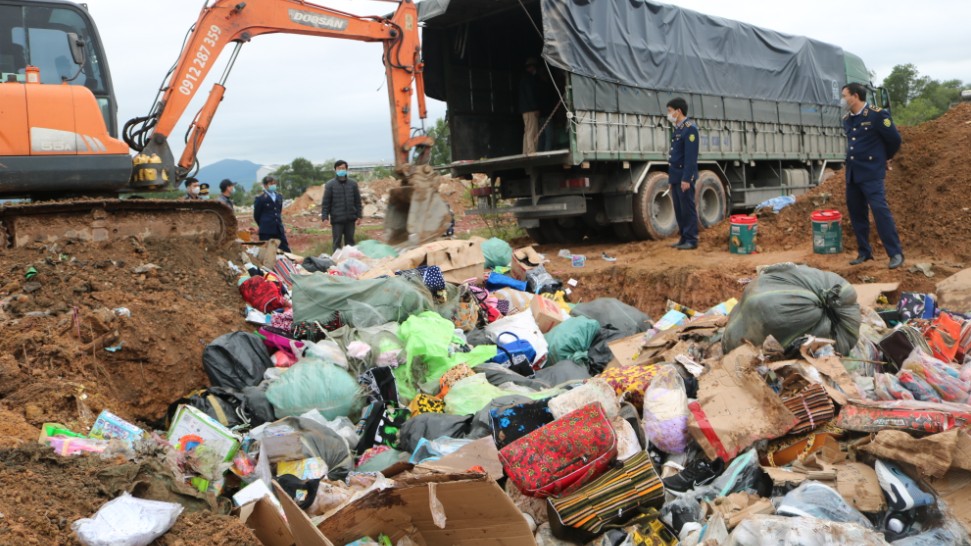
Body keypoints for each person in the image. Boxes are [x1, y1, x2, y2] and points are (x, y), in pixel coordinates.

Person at [841, 82, 904, 270]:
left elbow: (894, 139)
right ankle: (864, 252)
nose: (842, 100)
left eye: (844, 96)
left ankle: (895, 253)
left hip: (871, 172)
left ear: (855, 96)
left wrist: (885, 158)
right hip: (853, 173)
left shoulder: (877, 115)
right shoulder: (847, 119)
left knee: (880, 212)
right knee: (857, 213)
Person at [665, 97, 700, 250]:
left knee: (687, 208)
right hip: (676, 176)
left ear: (678, 111)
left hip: (684, 176)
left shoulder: (690, 128)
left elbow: (690, 157)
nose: (669, 114)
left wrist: (686, 178)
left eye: (670, 111)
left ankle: (691, 239)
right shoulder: (678, 129)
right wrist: (672, 179)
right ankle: (683, 237)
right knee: (679, 209)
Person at [321, 160, 363, 250]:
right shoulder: (330, 185)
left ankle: (351, 261)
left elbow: (358, 202)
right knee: (337, 242)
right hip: (337, 220)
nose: (341, 170)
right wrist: (325, 217)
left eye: (343, 168)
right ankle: (337, 262)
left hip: (350, 219)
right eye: (339, 168)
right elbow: (326, 203)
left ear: (347, 169)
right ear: (335, 170)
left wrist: (359, 216)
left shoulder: (353, 184)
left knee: (350, 242)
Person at [253, 175, 291, 253]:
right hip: (266, 229)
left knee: (285, 250)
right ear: (265, 185)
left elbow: (278, 211)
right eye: (271, 184)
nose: (273, 185)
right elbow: (257, 215)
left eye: (274, 183)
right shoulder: (261, 198)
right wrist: (262, 224)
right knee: (266, 252)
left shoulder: (279, 196)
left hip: (278, 228)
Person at [519, 57, 541, 155]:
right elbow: (530, 94)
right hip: (530, 109)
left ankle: (526, 151)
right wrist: (535, 107)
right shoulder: (529, 79)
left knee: (527, 131)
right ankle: (531, 151)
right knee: (532, 131)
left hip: (525, 110)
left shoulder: (523, 78)